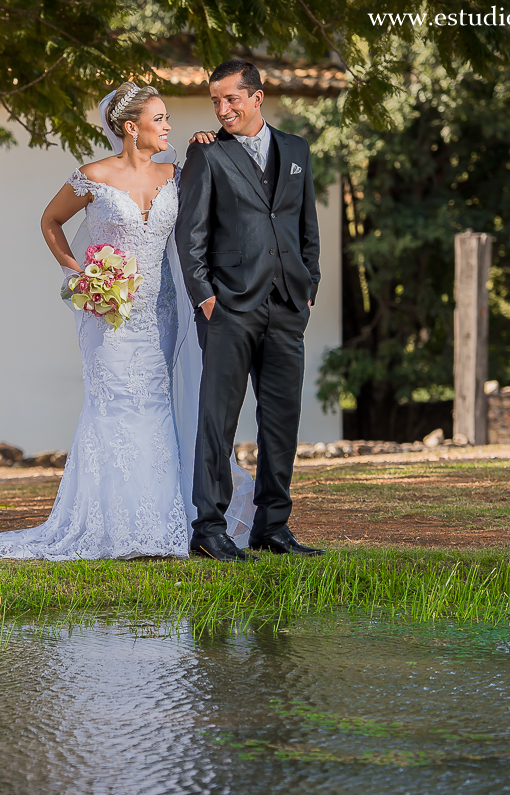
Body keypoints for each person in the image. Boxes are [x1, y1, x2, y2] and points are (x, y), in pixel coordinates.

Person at [0, 83, 254, 560]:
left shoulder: (175, 175)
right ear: (130, 127)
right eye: (159, 118)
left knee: (158, 406)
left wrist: (208, 140)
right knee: (114, 406)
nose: (168, 126)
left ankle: (163, 522)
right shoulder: (92, 176)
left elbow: (209, 211)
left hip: (162, 314)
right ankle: (115, 526)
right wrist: (81, 275)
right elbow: (50, 222)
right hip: (109, 315)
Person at [175, 59, 327, 561]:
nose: (222, 110)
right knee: (218, 420)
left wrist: (310, 284)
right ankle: (209, 528)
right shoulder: (207, 154)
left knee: (282, 420)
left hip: (287, 304)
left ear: (256, 97)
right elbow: (190, 235)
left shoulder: (297, 151)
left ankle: (272, 526)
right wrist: (206, 297)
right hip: (229, 307)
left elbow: (306, 226)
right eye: (215, 101)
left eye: (231, 99)